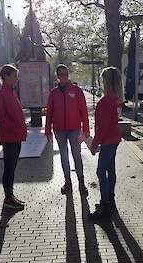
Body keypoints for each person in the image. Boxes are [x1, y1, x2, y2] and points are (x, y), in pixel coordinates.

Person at [45, 64, 89, 196]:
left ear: (68, 75)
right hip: (59, 130)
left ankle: (81, 183)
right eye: (60, 75)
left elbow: (84, 111)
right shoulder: (53, 93)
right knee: (64, 157)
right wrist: (48, 130)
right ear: (57, 76)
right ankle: (68, 182)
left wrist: (86, 129)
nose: (63, 77)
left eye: (65, 74)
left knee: (77, 155)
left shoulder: (76, 90)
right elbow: (49, 113)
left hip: (74, 129)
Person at [89, 67, 124, 220]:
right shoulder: (116, 99)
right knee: (110, 170)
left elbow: (102, 127)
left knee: (101, 171)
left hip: (108, 140)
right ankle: (110, 199)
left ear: (106, 81)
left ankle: (105, 204)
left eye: (102, 79)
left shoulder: (105, 101)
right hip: (114, 139)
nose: (101, 82)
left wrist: (94, 144)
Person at [0, 64, 27, 210]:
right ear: (6, 77)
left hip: (15, 136)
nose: (16, 79)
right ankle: (8, 198)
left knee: (12, 168)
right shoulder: (2, 93)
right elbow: (0, 116)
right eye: (14, 76)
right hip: (10, 137)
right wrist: (15, 128)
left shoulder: (10, 92)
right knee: (9, 168)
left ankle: (10, 195)